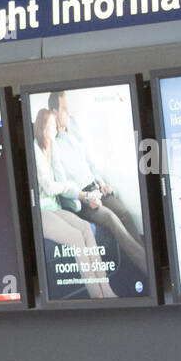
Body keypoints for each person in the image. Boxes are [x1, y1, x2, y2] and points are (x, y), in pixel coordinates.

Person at [47, 91, 148, 275]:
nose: (68, 113)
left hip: (94, 187)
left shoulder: (74, 126)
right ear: (54, 112)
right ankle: (147, 268)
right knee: (111, 219)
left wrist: (101, 181)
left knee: (124, 213)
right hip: (81, 200)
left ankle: (144, 259)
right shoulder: (52, 143)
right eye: (64, 109)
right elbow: (62, 186)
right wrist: (86, 198)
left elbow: (89, 160)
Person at [32, 108, 115, 299]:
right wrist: (66, 185)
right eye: (52, 126)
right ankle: (97, 296)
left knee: (86, 228)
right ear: (42, 128)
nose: (56, 129)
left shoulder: (52, 149)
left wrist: (77, 190)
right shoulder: (35, 151)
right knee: (76, 237)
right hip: (41, 212)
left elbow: (59, 179)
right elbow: (50, 187)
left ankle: (106, 288)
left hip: (54, 207)